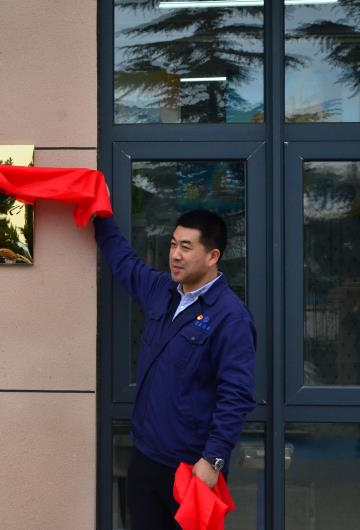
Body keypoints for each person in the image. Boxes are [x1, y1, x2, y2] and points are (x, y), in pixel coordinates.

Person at [94, 209, 256, 530]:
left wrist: (214, 460)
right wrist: (98, 212)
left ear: (212, 256)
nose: (175, 255)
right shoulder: (163, 290)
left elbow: (236, 395)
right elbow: (124, 261)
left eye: (186, 246)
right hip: (145, 459)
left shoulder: (231, 317)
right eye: (172, 244)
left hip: (190, 469)